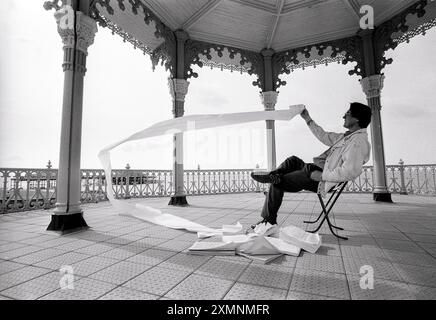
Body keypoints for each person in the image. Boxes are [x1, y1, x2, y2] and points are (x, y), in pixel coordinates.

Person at [250, 102, 372, 236]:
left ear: (356, 119)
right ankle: (273, 175)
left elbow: (350, 172)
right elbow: (324, 136)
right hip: (318, 172)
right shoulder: (347, 137)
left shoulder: (357, 142)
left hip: (322, 181)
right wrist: (307, 119)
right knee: (293, 160)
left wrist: (322, 176)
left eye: (347, 114)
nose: (344, 116)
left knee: (278, 182)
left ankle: (268, 222)